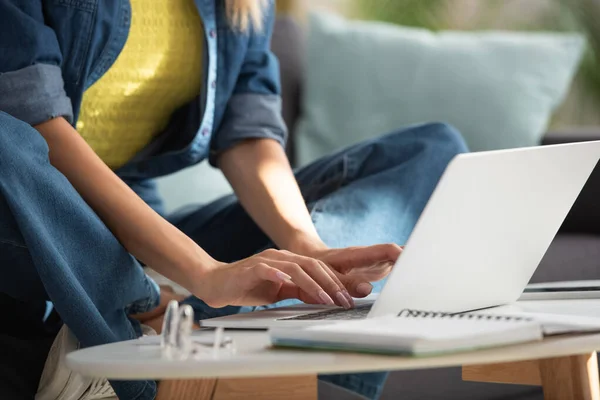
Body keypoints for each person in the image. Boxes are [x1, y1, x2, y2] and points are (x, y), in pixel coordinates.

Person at [0, 0, 467, 399]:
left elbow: (248, 134)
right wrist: (206, 272)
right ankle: (142, 326)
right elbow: (37, 126)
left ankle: (193, 327)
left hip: (150, 244)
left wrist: (309, 248)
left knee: (431, 153)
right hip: (42, 227)